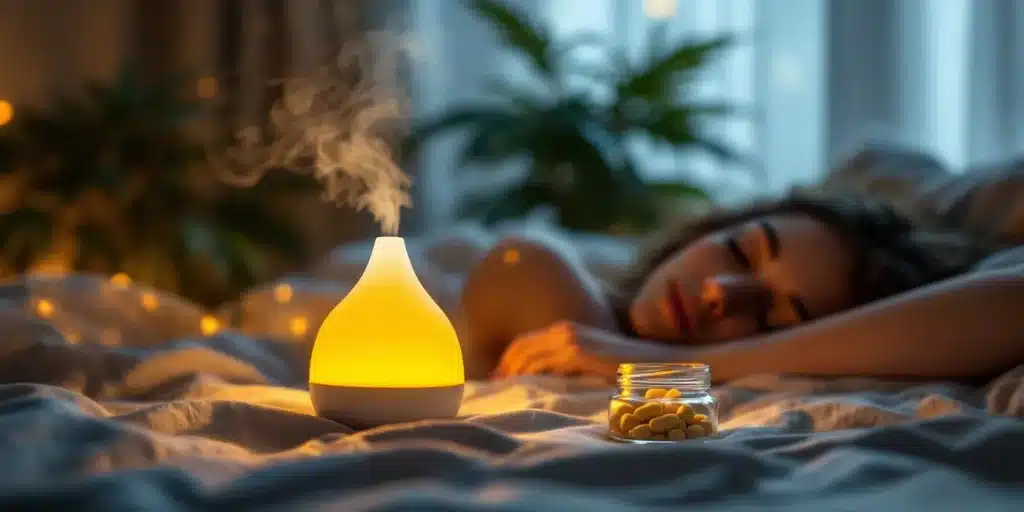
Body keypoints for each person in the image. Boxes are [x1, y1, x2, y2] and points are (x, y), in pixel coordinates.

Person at [459, 193, 1024, 383]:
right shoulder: (538, 267)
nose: (720, 294)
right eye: (738, 250)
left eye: (775, 318)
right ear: (709, 229)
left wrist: (687, 365)